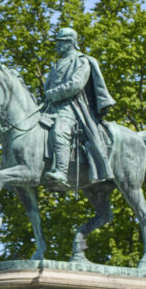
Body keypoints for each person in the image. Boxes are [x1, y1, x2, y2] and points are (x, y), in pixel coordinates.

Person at [42, 27, 116, 189]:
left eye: (60, 42)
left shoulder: (81, 61)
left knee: (60, 130)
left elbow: (75, 84)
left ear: (70, 42)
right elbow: (47, 85)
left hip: (72, 108)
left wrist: (53, 94)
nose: (57, 46)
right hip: (51, 107)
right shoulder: (57, 64)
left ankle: (61, 171)